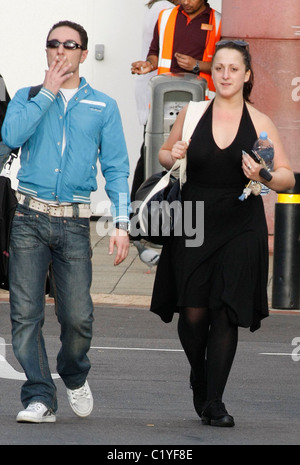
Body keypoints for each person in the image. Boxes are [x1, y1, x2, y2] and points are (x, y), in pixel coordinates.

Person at [149, 40, 295, 427]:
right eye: (219, 68)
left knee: (225, 311)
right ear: (211, 74)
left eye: (234, 68)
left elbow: (286, 177)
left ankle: (215, 400)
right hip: (193, 219)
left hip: (240, 223)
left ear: (247, 75)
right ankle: (200, 376)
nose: (225, 75)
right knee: (193, 315)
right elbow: (164, 154)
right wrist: (174, 151)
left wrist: (261, 174)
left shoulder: (260, 121)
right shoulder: (194, 113)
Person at [1, 20, 130, 423]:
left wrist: (122, 222)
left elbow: (116, 168)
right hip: (29, 218)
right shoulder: (27, 96)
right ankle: (40, 395)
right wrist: (48, 94)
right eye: (53, 44)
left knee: (78, 318)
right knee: (25, 315)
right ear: (46, 51)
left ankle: (73, 373)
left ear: (83, 53)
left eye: (69, 44)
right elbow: (11, 133)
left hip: (74, 224)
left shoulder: (103, 106)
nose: (61, 50)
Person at [131, 0, 221, 200]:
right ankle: (139, 215)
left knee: (193, 160)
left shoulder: (217, 21)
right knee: (150, 158)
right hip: (162, 102)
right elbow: (154, 52)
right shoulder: (165, 16)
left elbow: (221, 63)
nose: (186, 2)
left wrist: (196, 65)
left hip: (199, 106)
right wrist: (148, 64)